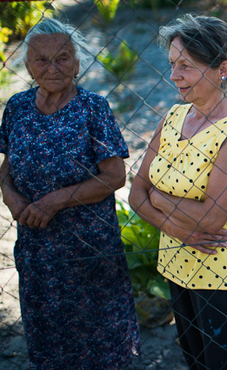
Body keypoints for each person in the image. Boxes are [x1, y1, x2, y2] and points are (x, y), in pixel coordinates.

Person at [128, 14, 227, 370]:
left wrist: (158, 199)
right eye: (173, 64)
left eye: (186, 66)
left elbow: (211, 218)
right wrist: (175, 227)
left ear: (221, 69)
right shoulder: (173, 118)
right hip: (177, 268)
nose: (174, 75)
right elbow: (135, 192)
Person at [0, 18, 139, 369]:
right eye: (41, 59)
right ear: (28, 65)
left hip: (89, 248)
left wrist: (55, 200)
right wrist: (11, 197)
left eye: (63, 58)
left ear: (78, 64)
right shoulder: (16, 108)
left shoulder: (93, 108)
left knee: (100, 342)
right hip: (36, 247)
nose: (52, 67)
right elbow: (7, 166)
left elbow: (114, 176)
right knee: (48, 338)